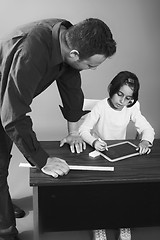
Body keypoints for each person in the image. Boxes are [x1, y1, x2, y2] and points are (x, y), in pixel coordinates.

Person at [0, 18, 116, 240]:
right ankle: (5, 229)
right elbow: (12, 116)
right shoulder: (31, 52)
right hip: (2, 98)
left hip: (9, 99)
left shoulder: (67, 36)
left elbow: (72, 88)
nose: (93, 69)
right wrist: (42, 160)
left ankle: (2, 203)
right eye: (91, 65)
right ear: (74, 54)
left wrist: (73, 132)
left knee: (4, 157)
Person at [79, 71, 155, 240]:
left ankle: (124, 222)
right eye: (120, 95)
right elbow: (83, 130)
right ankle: (98, 224)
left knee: (124, 191)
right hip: (100, 153)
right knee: (99, 192)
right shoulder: (101, 106)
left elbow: (147, 129)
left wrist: (145, 141)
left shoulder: (132, 107)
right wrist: (94, 141)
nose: (123, 101)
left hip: (120, 154)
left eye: (128, 98)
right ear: (111, 89)